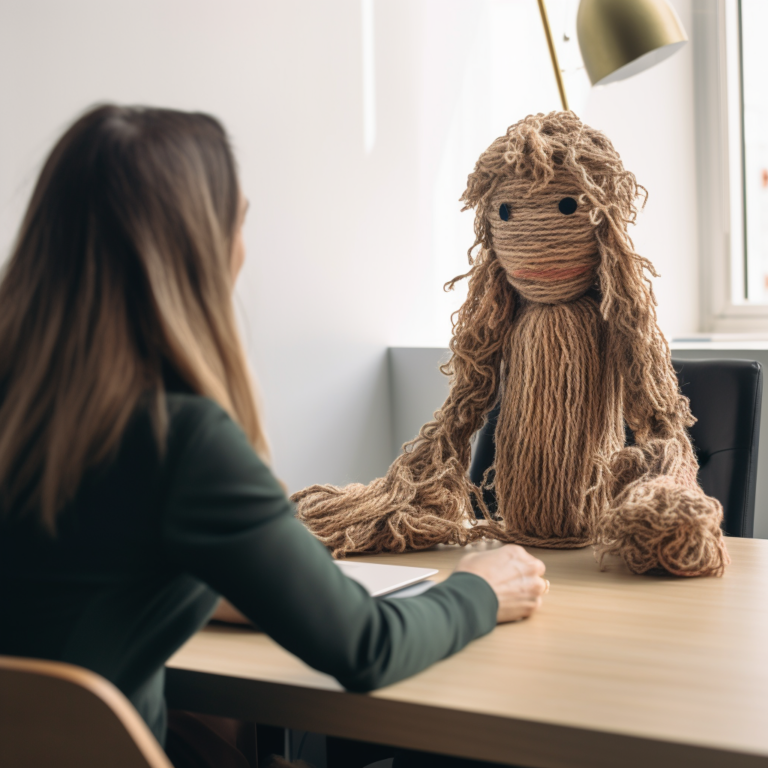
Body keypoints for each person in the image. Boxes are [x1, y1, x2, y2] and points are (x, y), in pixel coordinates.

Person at [0, 104, 548, 767]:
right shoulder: (179, 441)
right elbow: (366, 648)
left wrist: (203, 591)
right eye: (239, 222)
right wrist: (479, 589)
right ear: (197, 249)